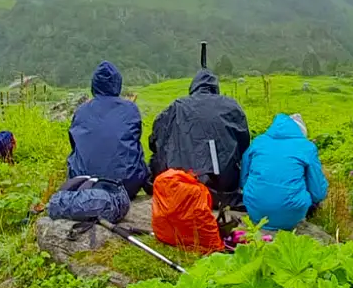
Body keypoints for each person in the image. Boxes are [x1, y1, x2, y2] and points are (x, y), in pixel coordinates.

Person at [148, 69, 250, 203]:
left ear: (193, 87)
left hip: (181, 184)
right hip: (222, 188)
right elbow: (244, 144)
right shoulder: (231, 106)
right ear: (215, 88)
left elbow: (154, 140)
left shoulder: (177, 106)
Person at [66, 61, 151, 198]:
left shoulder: (81, 111)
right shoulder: (130, 109)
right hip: (126, 186)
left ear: (94, 84)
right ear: (117, 83)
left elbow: (74, 145)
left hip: (85, 185)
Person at [241, 113, 328, 231]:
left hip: (255, 211)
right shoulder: (307, 147)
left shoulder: (258, 141)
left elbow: (243, 179)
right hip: (291, 216)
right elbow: (318, 192)